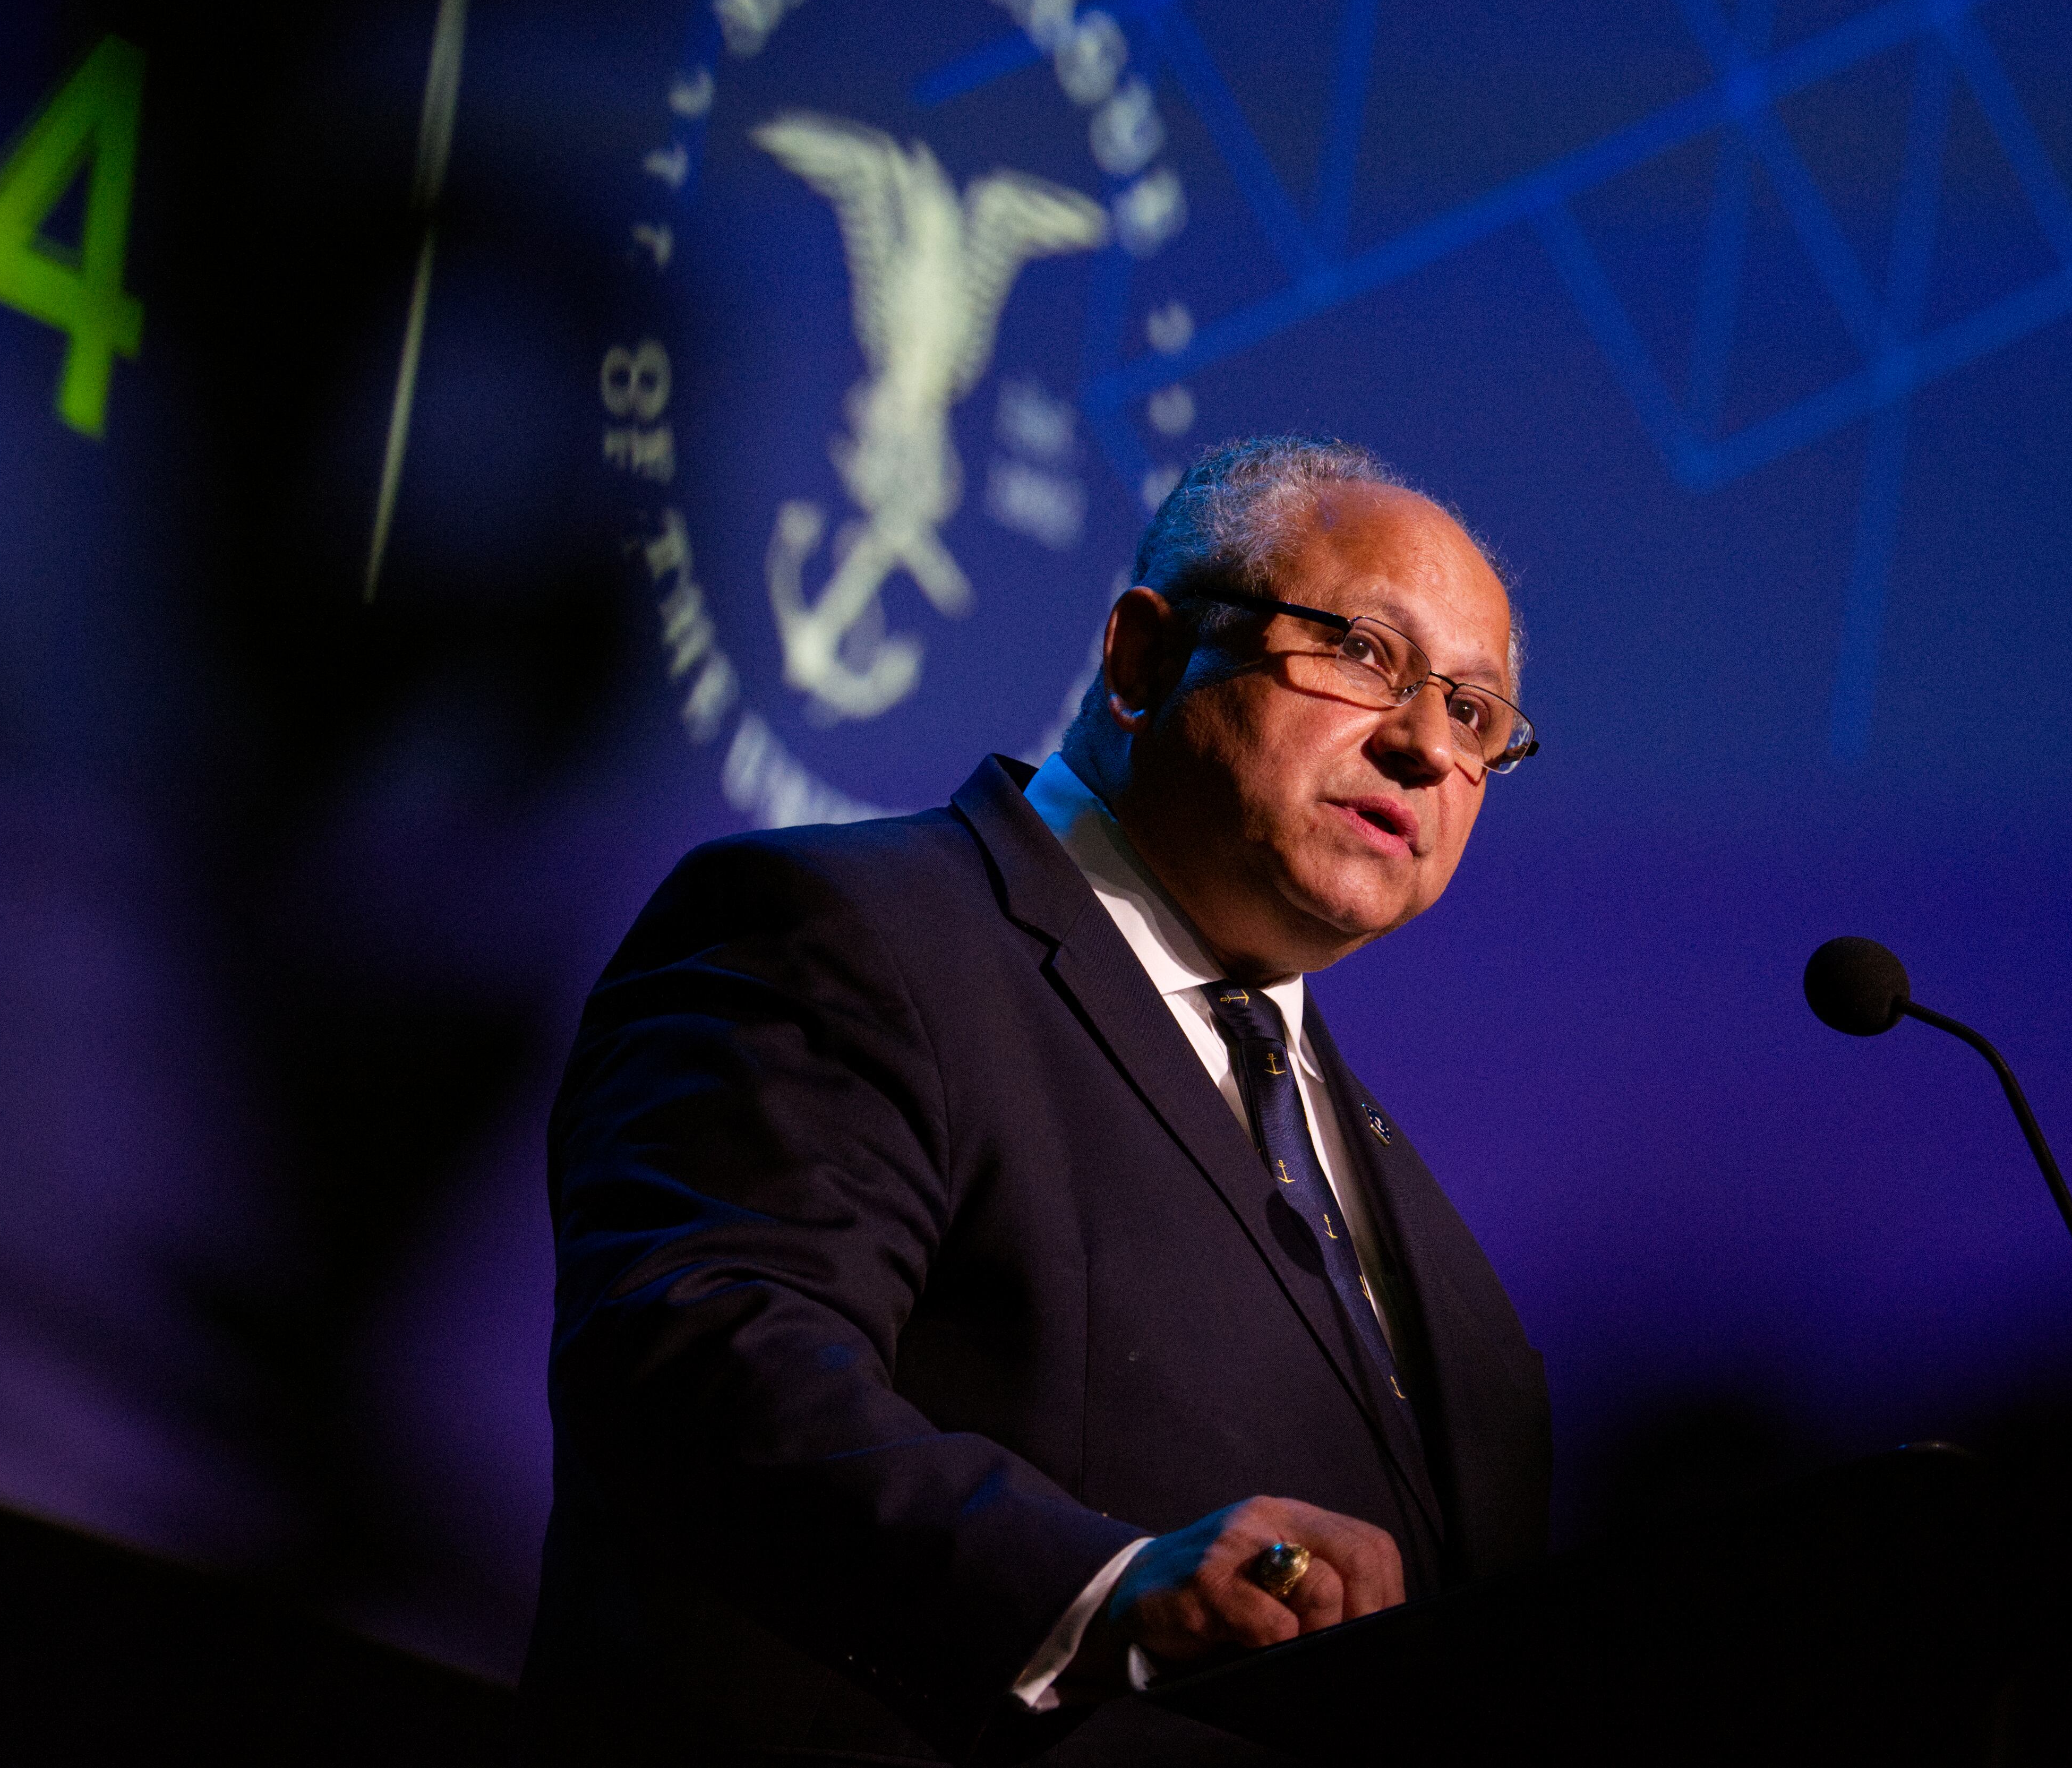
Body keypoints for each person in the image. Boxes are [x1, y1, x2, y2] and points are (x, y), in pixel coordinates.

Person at [525, 436, 1553, 1765]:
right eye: (1361, 651)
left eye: (1474, 713)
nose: (1424, 742)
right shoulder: (847, 935)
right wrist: (1097, 1592)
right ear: (1138, 658)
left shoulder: (1459, 1299)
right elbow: (702, 1368)